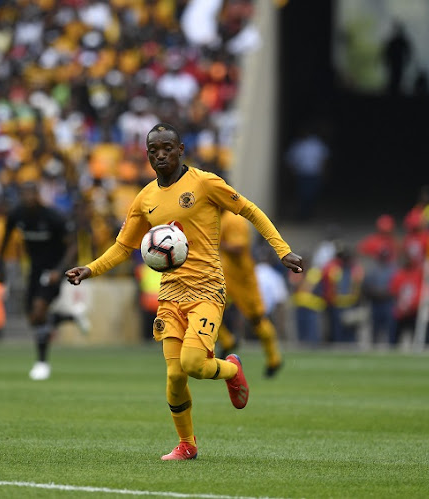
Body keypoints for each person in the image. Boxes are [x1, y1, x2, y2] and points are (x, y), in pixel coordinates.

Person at [65, 123, 304, 460]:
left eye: (166, 147)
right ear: (147, 155)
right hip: (170, 294)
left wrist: (282, 250)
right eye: (153, 150)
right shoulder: (144, 198)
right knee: (175, 376)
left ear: (180, 150)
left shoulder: (204, 184)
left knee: (193, 363)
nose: (160, 154)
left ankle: (232, 369)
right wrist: (89, 269)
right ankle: (187, 444)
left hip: (207, 290)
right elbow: (122, 248)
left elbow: (249, 209)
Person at [0, 181, 77, 381]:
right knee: (33, 317)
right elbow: (5, 239)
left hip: (53, 269)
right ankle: (64, 317)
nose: (28, 199)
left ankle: (42, 363)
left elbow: (72, 247)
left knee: (39, 308)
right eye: (24, 195)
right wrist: (0, 267)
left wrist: (59, 271)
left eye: (31, 194)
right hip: (34, 270)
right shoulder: (17, 215)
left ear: (38, 196)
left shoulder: (53, 217)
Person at [216, 210, 284, 377]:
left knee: (257, 319)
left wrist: (215, 244)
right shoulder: (217, 217)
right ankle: (227, 341)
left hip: (243, 277)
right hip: (225, 273)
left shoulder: (234, 219)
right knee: (209, 308)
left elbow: (238, 248)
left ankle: (274, 359)